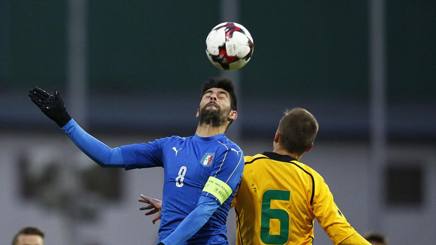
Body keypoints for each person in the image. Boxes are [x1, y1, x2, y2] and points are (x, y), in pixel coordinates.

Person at [28, 77, 245, 245]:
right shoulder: (170, 146)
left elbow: (205, 209)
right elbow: (108, 157)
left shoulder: (230, 154)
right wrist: (65, 121)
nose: (213, 97)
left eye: (222, 95)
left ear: (233, 115)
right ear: (197, 111)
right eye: (208, 94)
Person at [139, 108, 370, 244]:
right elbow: (341, 232)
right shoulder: (312, 181)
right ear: (309, 148)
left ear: (276, 135)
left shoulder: (244, 167)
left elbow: (210, 207)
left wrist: (174, 209)